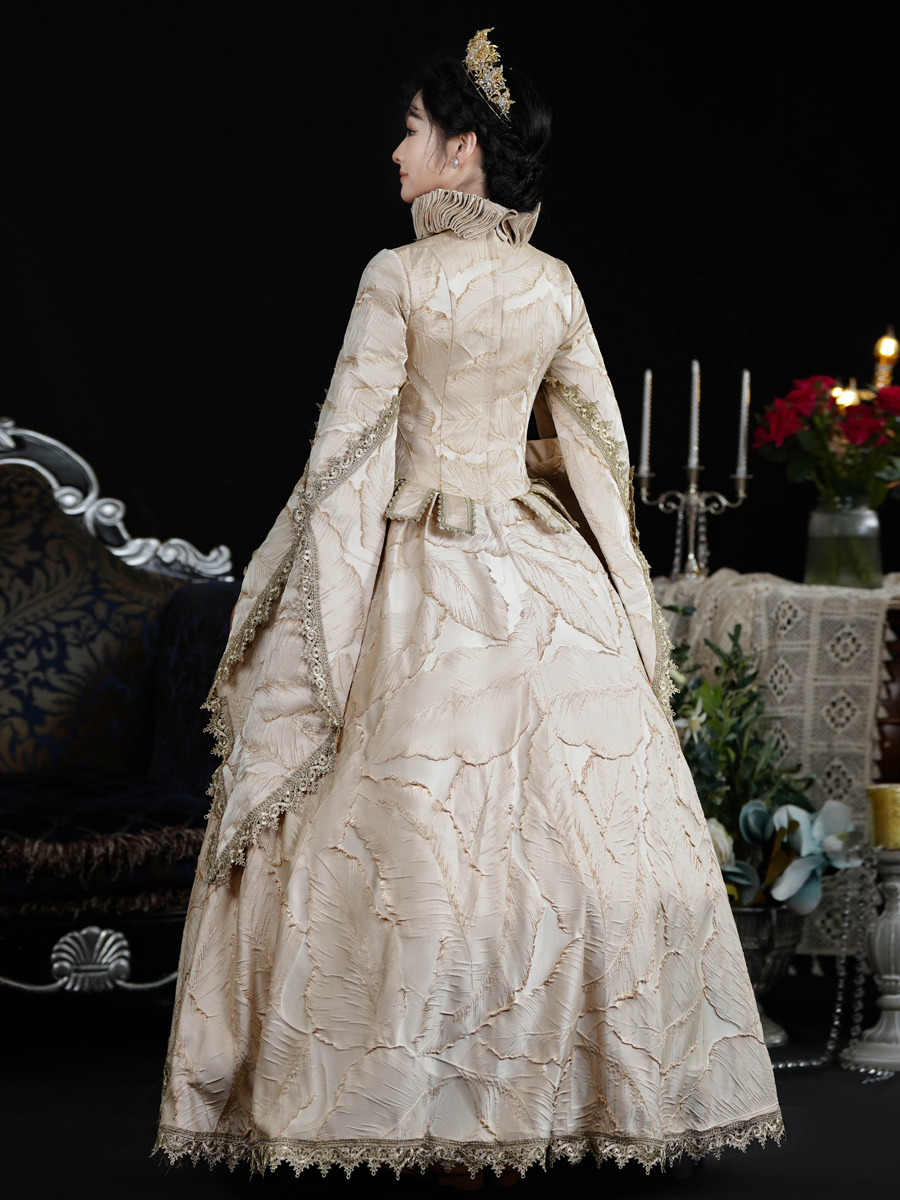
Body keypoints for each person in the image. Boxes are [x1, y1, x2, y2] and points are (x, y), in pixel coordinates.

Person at [155, 29, 783, 1186]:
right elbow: (599, 450)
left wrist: (310, 622)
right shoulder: (555, 284)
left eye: (410, 131)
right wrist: (603, 576)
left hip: (421, 562)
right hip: (543, 571)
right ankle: (563, 1092)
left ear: (462, 151)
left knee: (420, 843)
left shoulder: (396, 276)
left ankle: (421, 1100)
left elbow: (345, 462)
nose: (395, 153)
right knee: (559, 837)